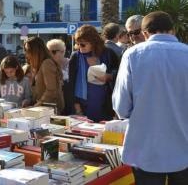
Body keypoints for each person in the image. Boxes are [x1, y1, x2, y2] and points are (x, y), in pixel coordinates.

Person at [112, 11, 188, 185]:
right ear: (173, 30)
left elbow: (121, 107)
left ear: (145, 34)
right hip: (184, 147)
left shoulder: (132, 55)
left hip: (146, 149)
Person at [69, 24, 119, 122]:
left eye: (83, 44)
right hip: (83, 107)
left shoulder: (108, 54)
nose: (80, 47)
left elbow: (119, 73)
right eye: (77, 44)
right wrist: (78, 109)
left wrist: (109, 76)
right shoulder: (76, 57)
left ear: (93, 42)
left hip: (105, 106)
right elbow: (72, 84)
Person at [24, 37, 64, 114]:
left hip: (50, 109)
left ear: (36, 50)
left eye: (28, 50)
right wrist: (30, 101)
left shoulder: (47, 63)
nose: (26, 54)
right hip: (44, 108)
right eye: (25, 50)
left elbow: (51, 90)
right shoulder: (40, 64)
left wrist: (38, 103)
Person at [46, 39, 71, 115]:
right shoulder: (47, 64)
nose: (50, 54)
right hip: (53, 101)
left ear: (63, 51)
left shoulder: (70, 63)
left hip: (68, 100)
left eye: (53, 52)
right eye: (48, 51)